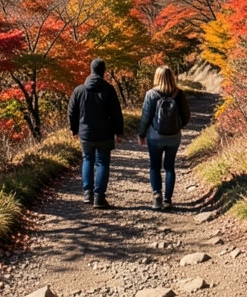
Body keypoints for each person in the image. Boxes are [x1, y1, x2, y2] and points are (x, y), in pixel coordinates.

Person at [67, 58, 124, 209]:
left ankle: (88, 193)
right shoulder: (109, 89)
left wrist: (74, 129)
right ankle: (99, 197)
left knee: (87, 159)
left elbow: (71, 112)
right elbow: (116, 113)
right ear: (103, 71)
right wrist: (119, 132)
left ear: (91, 70)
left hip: (86, 133)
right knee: (103, 163)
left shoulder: (79, 90)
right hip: (105, 134)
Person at [137, 65, 191, 211]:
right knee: (169, 167)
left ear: (157, 77)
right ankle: (167, 200)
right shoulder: (179, 94)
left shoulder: (151, 94)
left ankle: (157, 197)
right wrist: (177, 125)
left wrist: (142, 134)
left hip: (155, 136)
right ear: (172, 77)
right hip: (174, 137)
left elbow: (145, 117)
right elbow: (186, 117)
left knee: (154, 166)